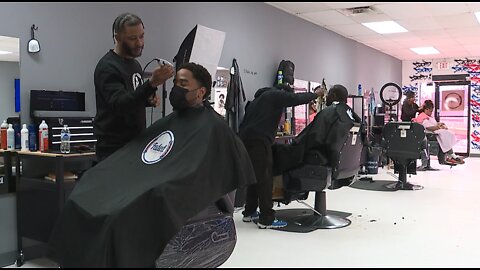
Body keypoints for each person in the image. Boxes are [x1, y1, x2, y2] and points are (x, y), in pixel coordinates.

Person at [47, 62, 256, 267]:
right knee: (89, 183)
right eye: (175, 83)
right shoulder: (173, 120)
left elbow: (199, 171)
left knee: (119, 216)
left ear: (201, 92)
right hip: (146, 180)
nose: (175, 89)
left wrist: (161, 183)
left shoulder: (215, 128)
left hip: (166, 188)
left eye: (183, 84)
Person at [239, 83, 324, 229]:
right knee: (265, 178)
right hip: (259, 141)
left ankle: (249, 211)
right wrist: (316, 94)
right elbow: (297, 98)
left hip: (245, 141)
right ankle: (267, 219)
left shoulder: (258, 99)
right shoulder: (275, 95)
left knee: (254, 176)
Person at [93, 12, 175, 162]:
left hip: (135, 144)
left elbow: (131, 96)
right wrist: (151, 84)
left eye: (142, 36)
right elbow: (120, 105)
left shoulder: (134, 64)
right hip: (114, 150)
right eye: (132, 38)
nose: (139, 43)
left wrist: (147, 100)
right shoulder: (108, 67)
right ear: (117, 38)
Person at [413, 100, 464, 165]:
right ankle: (452, 155)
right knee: (445, 136)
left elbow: (433, 124)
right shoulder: (422, 117)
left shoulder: (427, 116)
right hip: (429, 135)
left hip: (434, 133)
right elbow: (429, 127)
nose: (431, 113)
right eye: (430, 111)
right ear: (426, 109)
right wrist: (439, 127)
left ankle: (451, 155)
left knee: (447, 134)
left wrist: (439, 124)